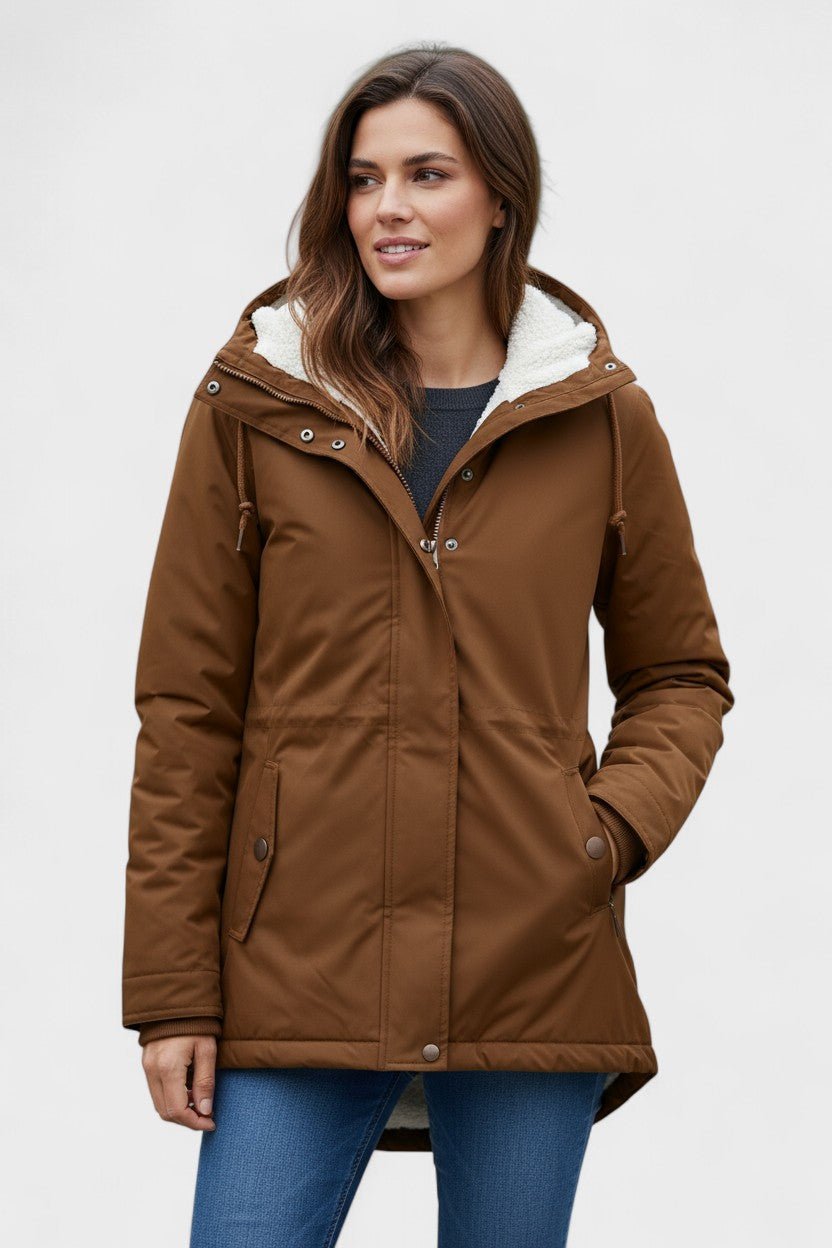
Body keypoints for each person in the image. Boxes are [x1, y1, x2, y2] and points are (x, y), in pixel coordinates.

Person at [122, 42, 734, 1248]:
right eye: (362, 179)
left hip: (530, 956)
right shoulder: (258, 404)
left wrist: (600, 838)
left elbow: (679, 674)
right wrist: (172, 990)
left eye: (426, 174)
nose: (386, 208)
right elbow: (186, 708)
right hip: (296, 958)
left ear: (500, 197)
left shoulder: (600, 416)